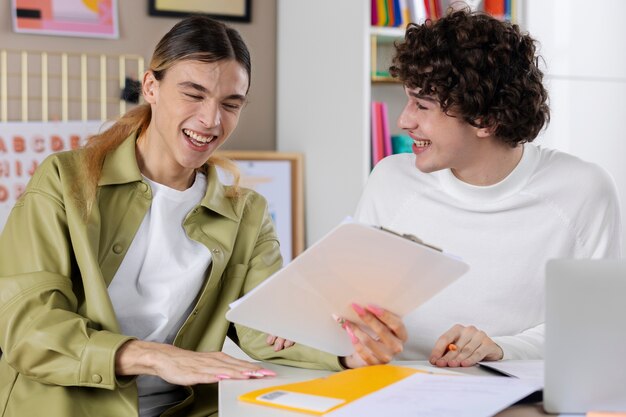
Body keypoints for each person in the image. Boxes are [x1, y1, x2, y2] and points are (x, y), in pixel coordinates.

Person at [0, 16, 406, 417]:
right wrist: (154, 357)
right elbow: (29, 329)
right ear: (150, 87)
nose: (211, 120)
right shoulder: (64, 182)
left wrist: (348, 353)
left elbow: (267, 330)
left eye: (231, 104)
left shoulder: (247, 213)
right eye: (193, 94)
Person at [354, 9, 622, 368]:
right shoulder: (390, 180)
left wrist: (501, 347)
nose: (404, 120)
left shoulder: (582, 191)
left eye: (422, 105)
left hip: (518, 398)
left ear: (485, 119)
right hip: (393, 391)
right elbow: (350, 308)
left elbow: (598, 331)